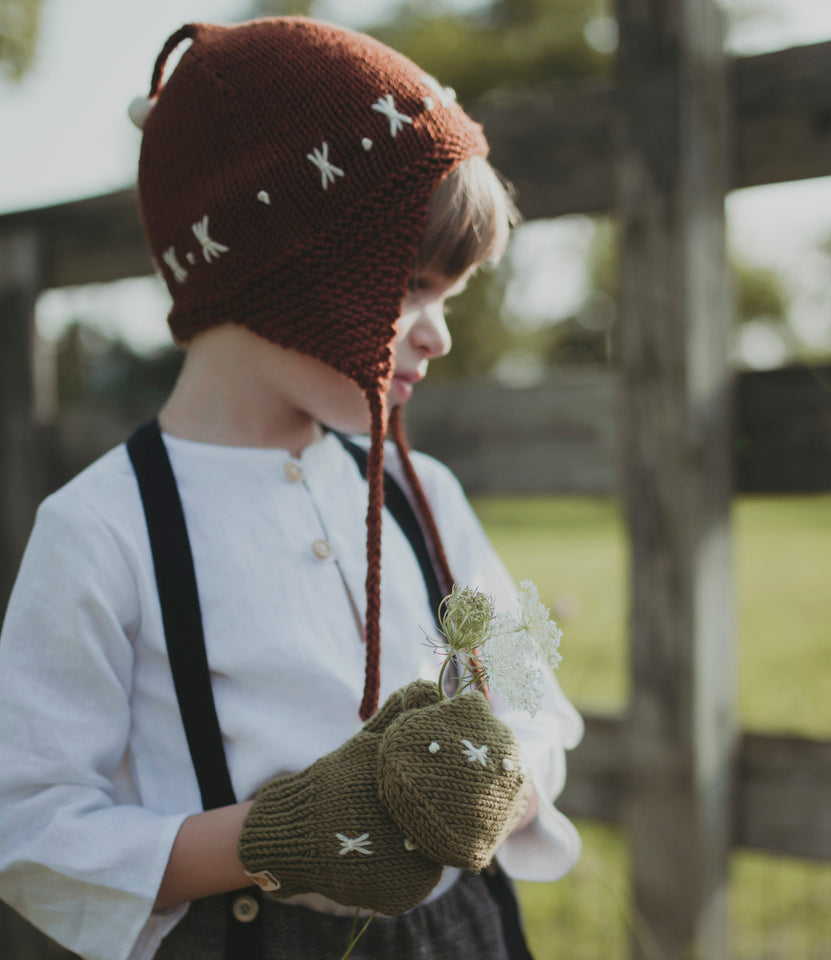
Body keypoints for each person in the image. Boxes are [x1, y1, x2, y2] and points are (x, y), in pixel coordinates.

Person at [0, 16, 583, 960]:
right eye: (414, 288)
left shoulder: (420, 492)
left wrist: (503, 776)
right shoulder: (103, 531)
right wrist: (278, 836)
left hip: (465, 932)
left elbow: (531, 693)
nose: (436, 334)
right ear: (281, 266)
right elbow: (30, 830)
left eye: (449, 298)